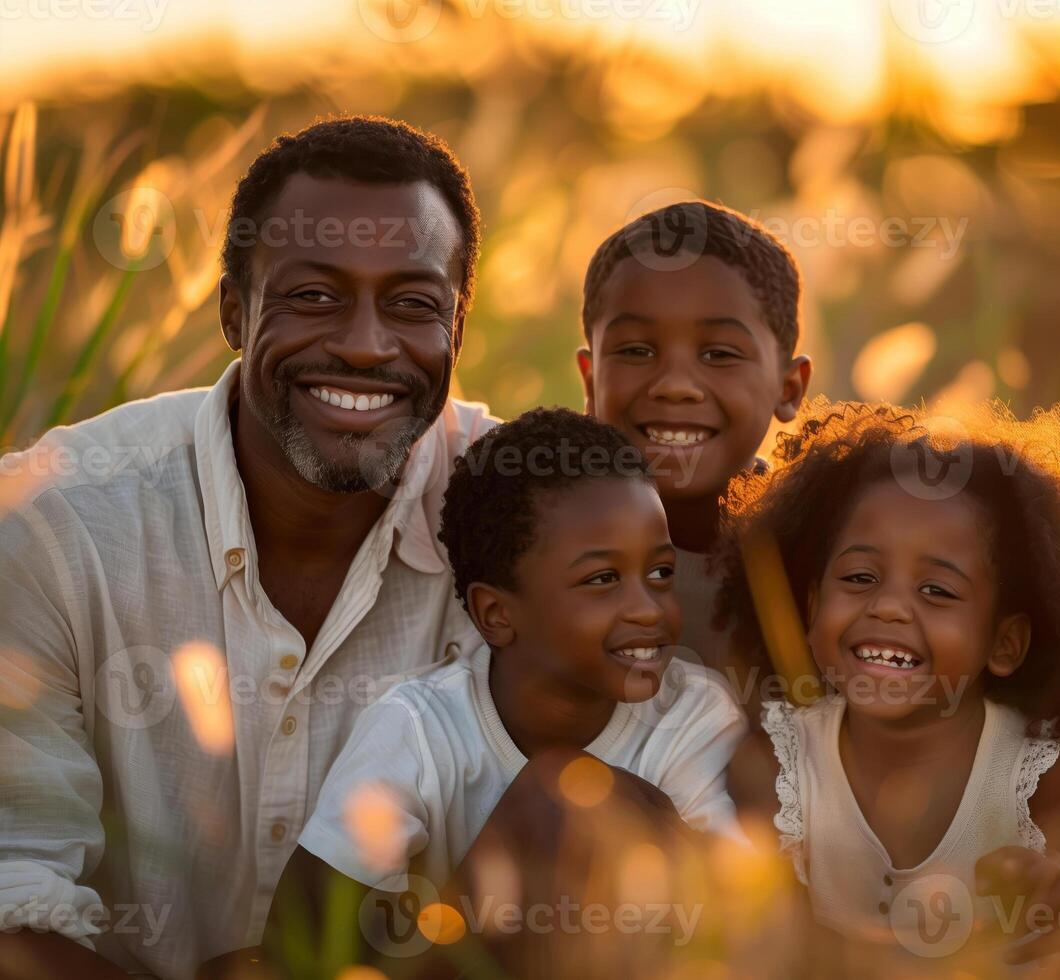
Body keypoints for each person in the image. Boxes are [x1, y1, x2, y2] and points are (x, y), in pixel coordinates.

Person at [0, 115, 495, 980]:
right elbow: (11, 898)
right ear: (234, 309)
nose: (363, 344)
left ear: (457, 326)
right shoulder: (51, 522)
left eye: (413, 304)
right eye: (313, 296)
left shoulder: (534, 513)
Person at [239, 408, 746, 977]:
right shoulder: (418, 728)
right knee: (552, 801)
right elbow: (296, 943)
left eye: (660, 573)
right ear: (496, 614)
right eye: (602, 580)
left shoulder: (694, 717)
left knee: (572, 799)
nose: (648, 609)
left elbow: (732, 917)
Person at [716, 398, 1060, 969]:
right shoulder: (776, 763)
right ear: (809, 609)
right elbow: (772, 951)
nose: (889, 608)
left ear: (1005, 644)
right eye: (859, 577)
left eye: (937, 591)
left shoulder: (1053, 782)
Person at [577, 200, 811, 676]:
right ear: (590, 381)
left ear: (789, 388)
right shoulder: (545, 544)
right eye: (637, 350)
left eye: (719, 354)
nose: (675, 385)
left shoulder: (820, 558)